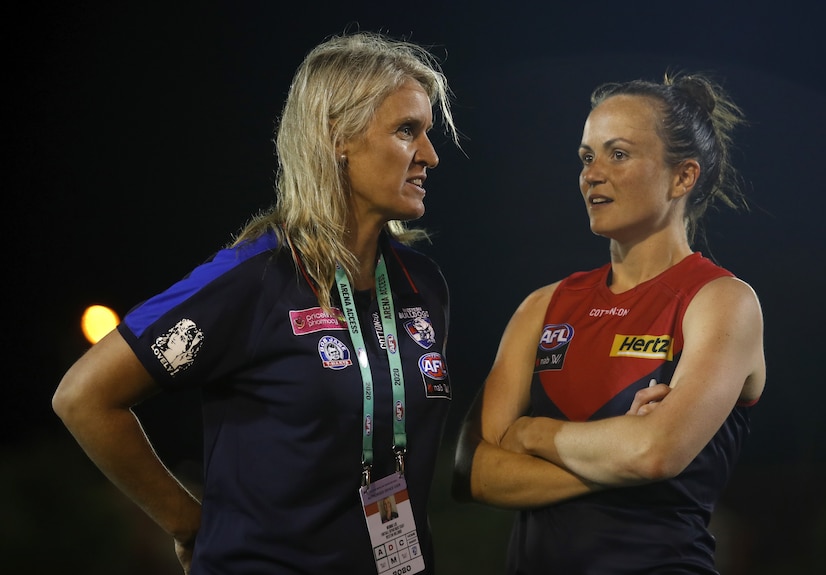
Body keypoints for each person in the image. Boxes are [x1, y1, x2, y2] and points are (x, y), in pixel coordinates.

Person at [53, 30, 459, 574]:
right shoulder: (254, 279)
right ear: (337, 134)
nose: (429, 155)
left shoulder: (422, 286)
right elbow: (82, 396)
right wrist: (188, 522)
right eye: (407, 131)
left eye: (427, 132)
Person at [452, 72, 766, 574]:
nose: (592, 174)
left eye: (617, 154)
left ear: (683, 176)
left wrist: (531, 434)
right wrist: (616, 456)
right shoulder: (544, 305)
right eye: (586, 157)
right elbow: (476, 473)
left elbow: (654, 453)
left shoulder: (722, 302)